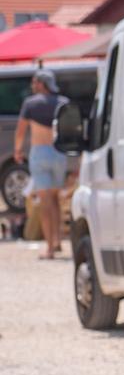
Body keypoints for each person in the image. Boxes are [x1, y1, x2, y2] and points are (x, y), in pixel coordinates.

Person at [13, 69, 68, 260]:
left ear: (42, 84)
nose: (32, 85)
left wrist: (18, 150)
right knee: (55, 199)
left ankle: (50, 248)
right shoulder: (63, 103)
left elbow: (21, 130)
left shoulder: (31, 104)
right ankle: (58, 240)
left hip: (40, 152)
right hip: (59, 153)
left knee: (44, 201)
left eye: (35, 82)